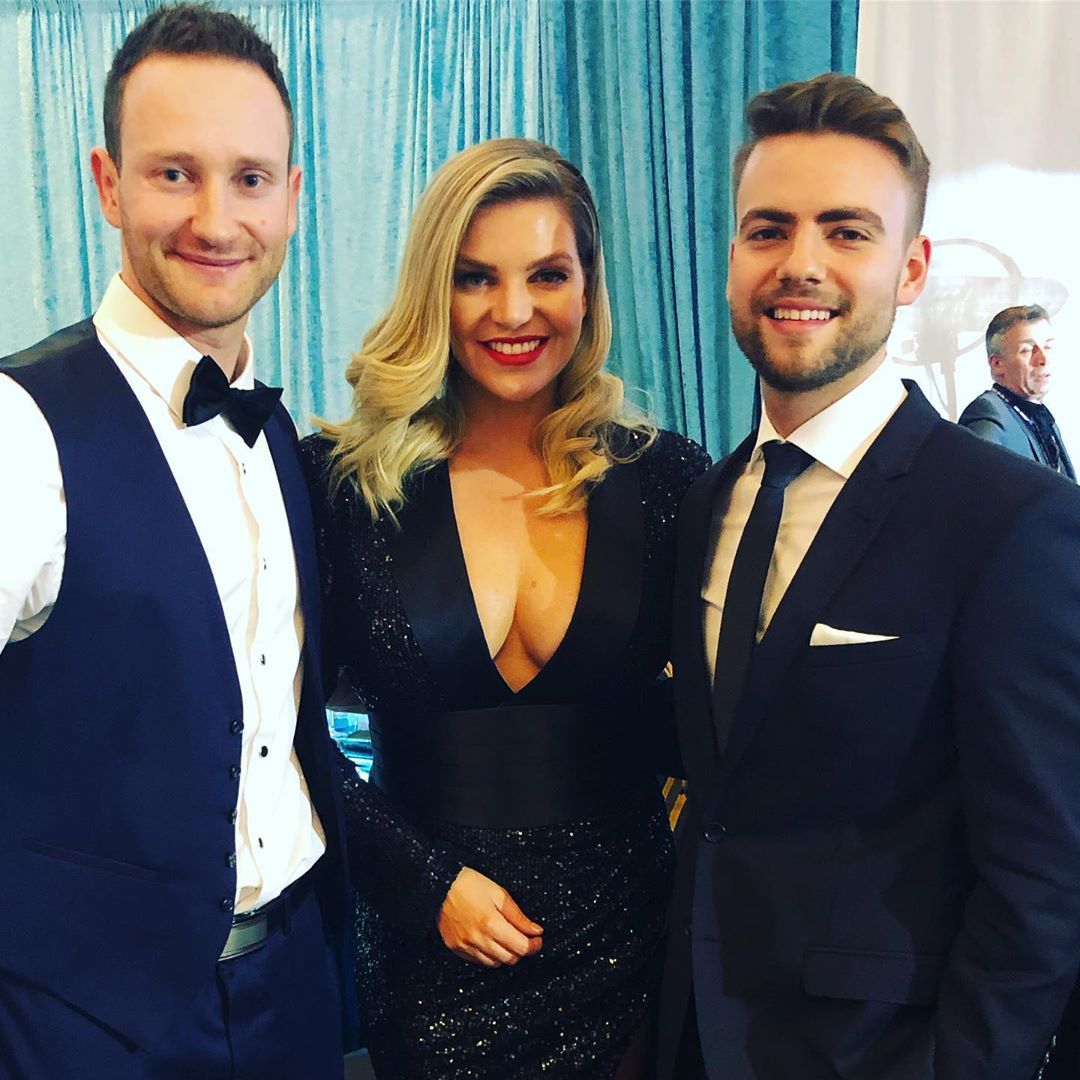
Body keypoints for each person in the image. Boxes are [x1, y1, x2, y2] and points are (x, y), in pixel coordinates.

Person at [658, 72, 1080, 1079]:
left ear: (911, 267)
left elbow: (1044, 875)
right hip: (694, 1036)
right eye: (768, 230)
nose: (800, 264)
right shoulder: (709, 499)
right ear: (733, 258)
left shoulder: (1009, 520)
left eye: (846, 232)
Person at [300, 137, 709, 1079]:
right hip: (431, 957)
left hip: (632, 943)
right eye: (476, 277)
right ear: (432, 291)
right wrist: (421, 880)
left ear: (588, 288)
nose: (514, 312)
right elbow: (280, 734)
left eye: (547, 275)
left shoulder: (665, 477)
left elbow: (700, 715)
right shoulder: (344, 485)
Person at [0, 6, 349, 1076]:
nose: (215, 217)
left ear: (292, 199)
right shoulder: (20, 427)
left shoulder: (278, 435)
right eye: (173, 174)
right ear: (108, 184)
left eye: (249, 179)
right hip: (84, 1023)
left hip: (296, 989)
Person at [958, 304, 1075, 479]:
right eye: (1027, 350)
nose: (1043, 359)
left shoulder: (1042, 420)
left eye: (1048, 347)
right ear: (997, 364)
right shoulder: (988, 415)